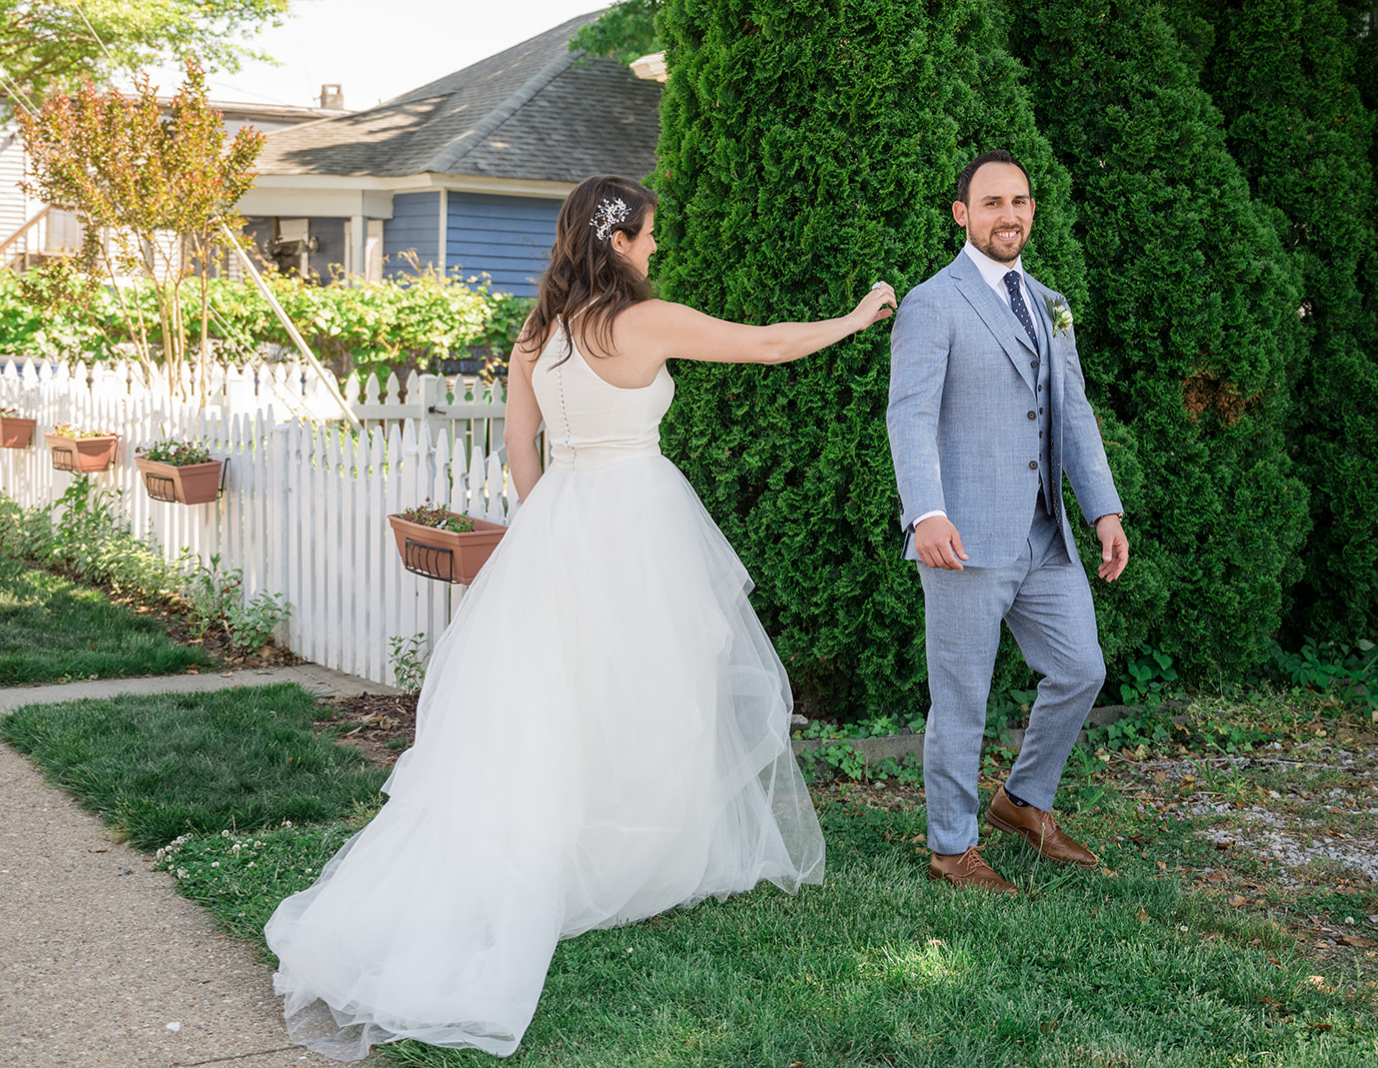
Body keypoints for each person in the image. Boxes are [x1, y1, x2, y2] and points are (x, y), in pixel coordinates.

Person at [263, 174, 897, 1061]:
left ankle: (590, 845)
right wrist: (857, 317)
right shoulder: (641, 321)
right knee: (648, 688)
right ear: (617, 241)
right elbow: (765, 344)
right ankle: (634, 853)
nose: (654, 250)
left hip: (561, 517)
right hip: (638, 519)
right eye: (646, 236)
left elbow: (520, 445)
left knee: (556, 704)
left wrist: (545, 527)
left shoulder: (539, 333)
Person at [886, 149, 1129, 894]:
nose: (1009, 215)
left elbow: (1075, 410)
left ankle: (1022, 801)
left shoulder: (1051, 301)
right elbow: (910, 414)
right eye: (992, 203)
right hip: (963, 536)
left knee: (1082, 668)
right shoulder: (934, 302)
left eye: (1019, 202)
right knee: (962, 697)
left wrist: (1104, 508)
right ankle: (951, 847)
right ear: (963, 214)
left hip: (1045, 532)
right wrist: (925, 511)